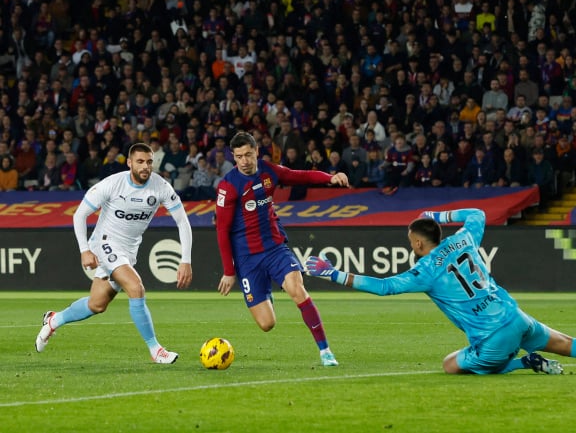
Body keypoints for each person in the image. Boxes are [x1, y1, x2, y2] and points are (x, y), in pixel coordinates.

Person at [305, 208, 576, 375]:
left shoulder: (425, 270)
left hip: (492, 337)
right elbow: (477, 213)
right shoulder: (464, 237)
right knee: (571, 344)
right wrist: (439, 215)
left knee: (450, 365)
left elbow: (383, 287)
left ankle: (523, 363)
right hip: (515, 315)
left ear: (417, 243)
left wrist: (334, 274)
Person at [35, 143, 193, 364]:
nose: (145, 166)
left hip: (128, 250)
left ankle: (53, 320)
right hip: (105, 243)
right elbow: (79, 215)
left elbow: (183, 222)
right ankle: (156, 350)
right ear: (129, 163)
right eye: (139, 161)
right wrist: (84, 250)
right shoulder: (112, 184)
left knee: (97, 304)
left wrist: (186, 260)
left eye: (149, 162)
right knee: (136, 287)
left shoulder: (161, 187)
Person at [214, 132, 349, 366]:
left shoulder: (269, 171)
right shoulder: (228, 186)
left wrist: (330, 177)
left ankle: (325, 351)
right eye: (238, 157)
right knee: (267, 324)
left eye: (247, 154)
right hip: (247, 258)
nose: (244, 161)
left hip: (276, 248)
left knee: (297, 290)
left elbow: (301, 176)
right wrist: (229, 270)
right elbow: (221, 230)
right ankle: (265, 291)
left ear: (257, 151)